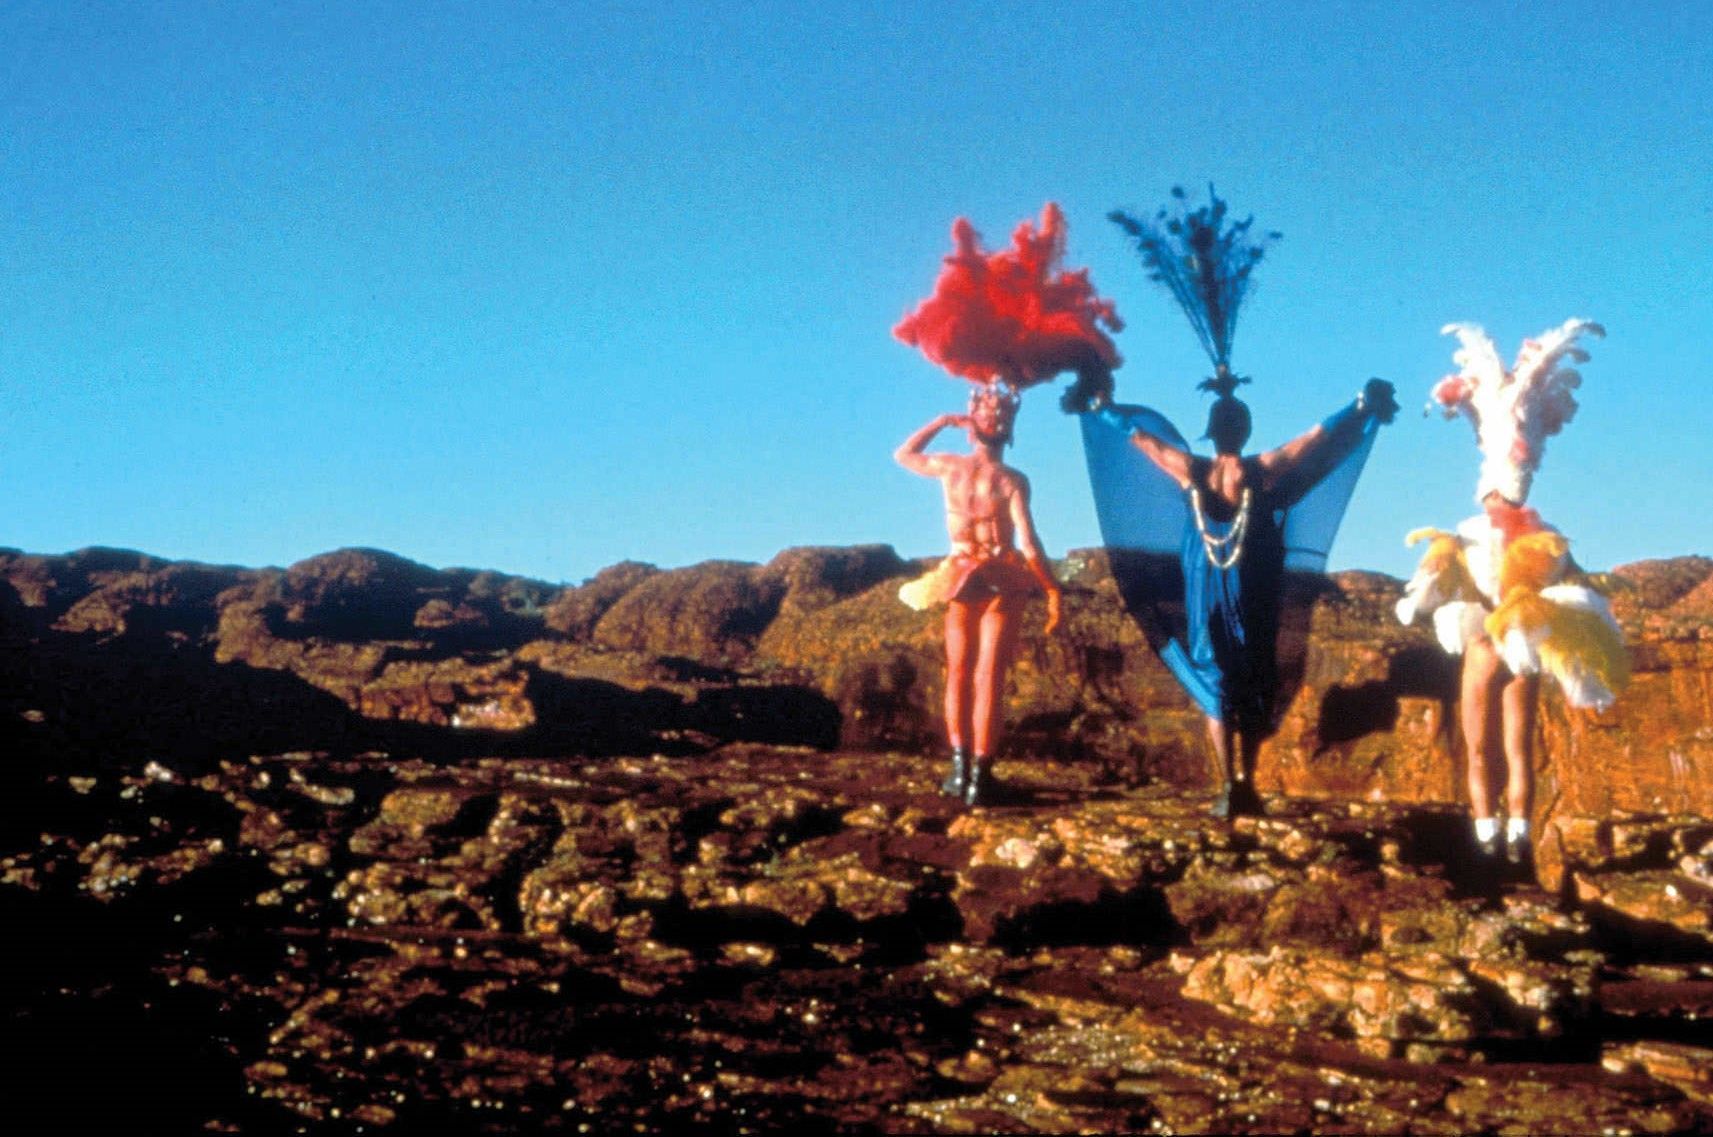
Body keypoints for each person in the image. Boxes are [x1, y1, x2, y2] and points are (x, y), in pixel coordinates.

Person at [1397, 319, 1626, 869]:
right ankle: (1505, 840)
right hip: (1508, 643)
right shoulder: (1528, 540)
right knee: (1506, 747)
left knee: (1491, 747)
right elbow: (1579, 585)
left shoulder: (1497, 538)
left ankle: (1497, 841)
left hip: (1497, 645)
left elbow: (1441, 583)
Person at [1120, 373, 1398, 817]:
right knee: (1251, 676)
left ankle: (1228, 785)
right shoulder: (1260, 471)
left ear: (1211, 433)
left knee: (1216, 677)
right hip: (1250, 584)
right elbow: (1310, 441)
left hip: (1206, 582)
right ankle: (1244, 784)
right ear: (1245, 431)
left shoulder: (1193, 471)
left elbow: (1146, 443)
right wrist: (1358, 407)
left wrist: (1103, 410)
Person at [895, 382, 1063, 806]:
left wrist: (941, 421)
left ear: (971, 428)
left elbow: (904, 455)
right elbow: (1028, 543)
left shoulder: (950, 468)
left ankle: (959, 771)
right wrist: (1051, 588)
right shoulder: (1012, 480)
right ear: (1009, 433)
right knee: (989, 676)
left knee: (959, 672)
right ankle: (980, 779)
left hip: (960, 575)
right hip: (1002, 578)